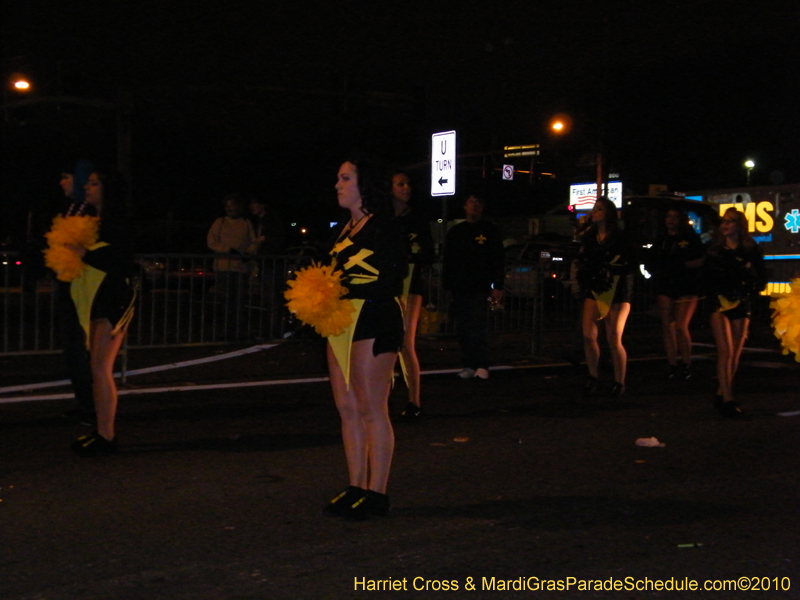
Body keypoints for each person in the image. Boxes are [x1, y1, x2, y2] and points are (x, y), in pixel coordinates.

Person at [322, 157, 407, 520]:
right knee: (347, 407)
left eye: (345, 178)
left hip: (374, 316)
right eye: (338, 178)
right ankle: (356, 485)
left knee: (372, 408)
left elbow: (393, 275)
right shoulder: (345, 229)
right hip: (341, 320)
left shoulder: (384, 225)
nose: (338, 185)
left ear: (364, 184)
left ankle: (378, 491)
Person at [46, 167, 137, 455]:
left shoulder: (119, 220)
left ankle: (107, 437)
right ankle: (102, 432)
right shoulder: (89, 217)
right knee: (96, 368)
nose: (88, 188)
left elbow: (123, 261)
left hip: (113, 297)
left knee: (100, 368)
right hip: (96, 296)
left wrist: (85, 252)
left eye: (95, 184)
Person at [704, 208, 766, 418]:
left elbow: (761, 278)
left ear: (739, 225)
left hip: (742, 302)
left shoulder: (750, 249)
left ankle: (723, 393)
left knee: (736, 353)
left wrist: (750, 283)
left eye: (730, 221)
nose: (725, 225)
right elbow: (707, 278)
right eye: (724, 221)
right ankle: (728, 399)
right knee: (726, 351)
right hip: (719, 303)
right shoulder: (714, 250)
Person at [442, 194, 505, 380]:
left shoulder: (490, 230)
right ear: (464, 206)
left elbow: (498, 259)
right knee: (463, 327)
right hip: (460, 287)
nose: (474, 206)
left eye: (478, 203)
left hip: (481, 287)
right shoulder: (456, 232)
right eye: (471, 202)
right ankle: (468, 363)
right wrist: (447, 286)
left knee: (478, 326)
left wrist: (497, 285)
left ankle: (482, 363)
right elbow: (449, 261)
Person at [577, 197, 634, 397]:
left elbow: (628, 262)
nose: (595, 212)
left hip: (617, 291)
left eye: (600, 209)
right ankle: (594, 376)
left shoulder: (620, 236)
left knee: (613, 337)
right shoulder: (590, 236)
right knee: (588, 335)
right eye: (594, 209)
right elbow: (583, 259)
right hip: (595, 288)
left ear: (608, 213)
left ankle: (620, 381)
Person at [55, 159, 97, 425]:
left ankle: (92, 405)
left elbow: (76, 245)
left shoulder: (86, 209)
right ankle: (86, 402)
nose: (62, 182)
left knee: (80, 346)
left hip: (79, 283)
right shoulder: (74, 207)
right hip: (69, 279)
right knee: (74, 345)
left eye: (66, 177)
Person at [391, 170, 435, 418]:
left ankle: (414, 401)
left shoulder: (417, 219)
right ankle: (381, 398)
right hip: (386, 287)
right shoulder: (383, 218)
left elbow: (428, 253)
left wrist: (409, 255)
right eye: (400, 184)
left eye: (408, 183)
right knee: (385, 343)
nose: (406, 188)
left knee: (405, 342)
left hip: (411, 286)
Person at [649, 208, 705, 379]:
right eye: (668, 216)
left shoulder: (690, 239)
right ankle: (672, 364)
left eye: (674, 217)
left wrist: (682, 265)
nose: (671, 220)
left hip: (686, 286)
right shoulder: (661, 239)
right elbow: (653, 259)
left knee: (681, 326)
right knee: (668, 326)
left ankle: (686, 363)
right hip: (665, 285)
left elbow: (701, 259)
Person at [207, 194, 257, 339]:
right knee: (226, 300)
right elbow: (211, 241)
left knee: (239, 300)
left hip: (241, 268)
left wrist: (248, 253)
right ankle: (225, 330)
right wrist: (227, 250)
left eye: (232, 205)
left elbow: (253, 241)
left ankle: (238, 331)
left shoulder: (246, 223)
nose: (229, 209)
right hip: (224, 267)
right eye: (227, 206)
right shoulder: (220, 222)